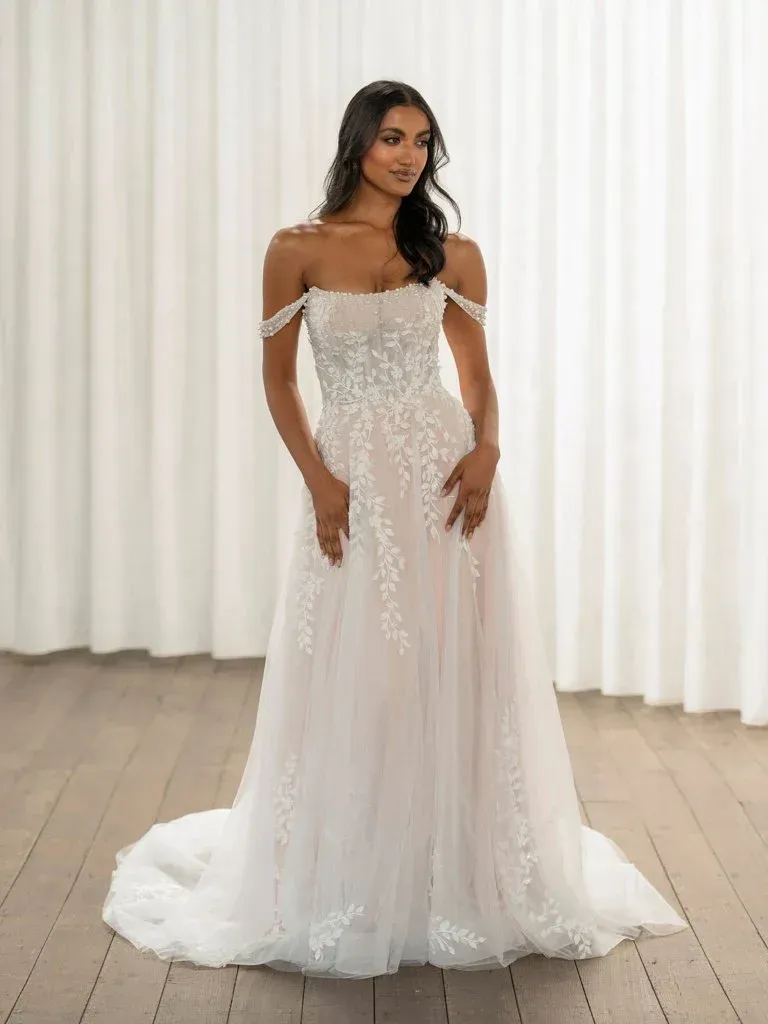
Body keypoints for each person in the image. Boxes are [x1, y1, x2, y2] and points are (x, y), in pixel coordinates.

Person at [102, 80, 687, 979]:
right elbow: (279, 381)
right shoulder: (295, 249)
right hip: (353, 479)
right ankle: (354, 869)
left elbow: (477, 377)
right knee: (368, 672)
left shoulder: (454, 254)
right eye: (392, 138)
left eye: (421, 141)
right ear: (358, 145)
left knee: (454, 666)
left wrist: (488, 450)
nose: (410, 156)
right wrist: (320, 482)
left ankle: (453, 865)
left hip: (445, 479)